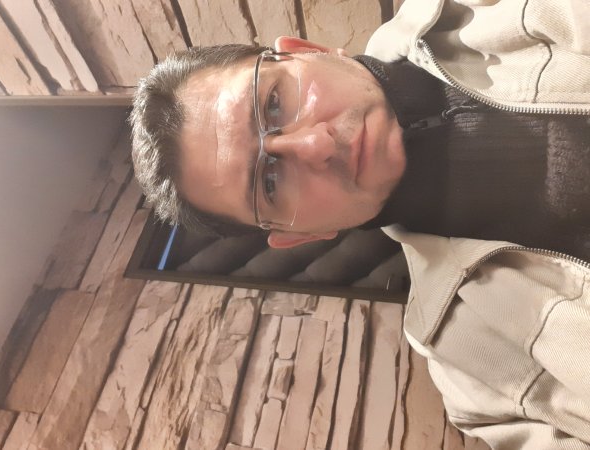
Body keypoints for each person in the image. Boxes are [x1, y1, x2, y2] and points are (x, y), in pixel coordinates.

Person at [130, 0, 590, 448]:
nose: (316, 145)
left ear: (307, 49)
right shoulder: (475, 379)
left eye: (274, 103)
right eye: (269, 182)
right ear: (300, 235)